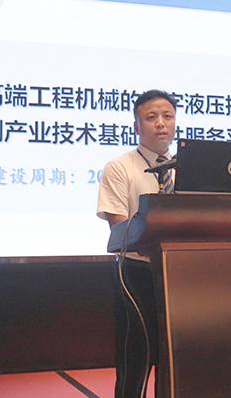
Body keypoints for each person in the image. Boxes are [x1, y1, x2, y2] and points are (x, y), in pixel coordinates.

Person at [97, 89, 177, 398]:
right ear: (136, 126)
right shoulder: (120, 167)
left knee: (176, 359)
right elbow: (119, 227)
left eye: (167, 116)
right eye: (151, 117)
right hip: (136, 274)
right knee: (136, 359)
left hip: (181, 276)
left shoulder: (188, 168)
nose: (161, 123)